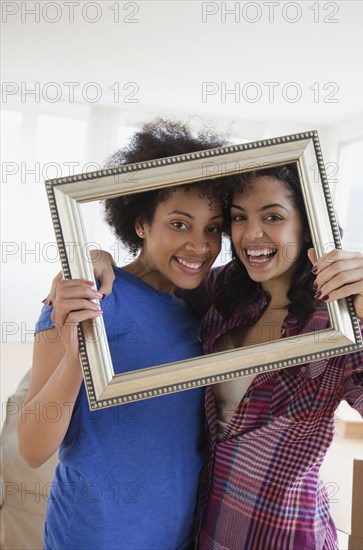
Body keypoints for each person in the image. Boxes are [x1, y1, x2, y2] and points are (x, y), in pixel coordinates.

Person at [46, 152, 363, 548]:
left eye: (272, 217)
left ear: (307, 227)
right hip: (205, 527)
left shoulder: (336, 327)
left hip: (282, 533)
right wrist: (93, 260)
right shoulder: (223, 293)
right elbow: (159, 274)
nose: (251, 234)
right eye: (239, 218)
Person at [17, 119, 230, 550]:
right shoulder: (85, 296)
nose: (200, 246)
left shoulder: (203, 310)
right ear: (140, 224)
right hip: (93, 535)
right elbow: (32, 447)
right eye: (180, 224)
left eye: (213, 228)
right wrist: (83, 352)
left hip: (175, 536)